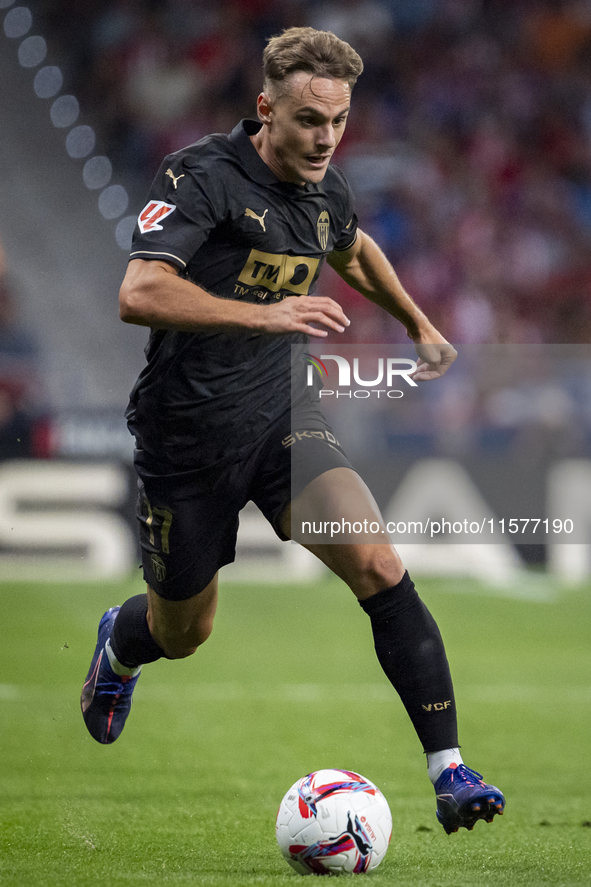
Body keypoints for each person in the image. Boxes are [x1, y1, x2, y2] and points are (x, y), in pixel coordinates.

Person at [81, 26, 504, 835]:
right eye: (309, 120)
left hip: (281, 414)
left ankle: (449, 771)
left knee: (379, 564)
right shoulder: (198, 175)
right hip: (187, 436)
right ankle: (121, 644)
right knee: (183, 630)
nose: (324, 139)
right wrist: (266, 312)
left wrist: (416, 320)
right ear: (265, 107)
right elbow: (139, 291)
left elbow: (351, 247)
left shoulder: (324, 187)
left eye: (337, 120)